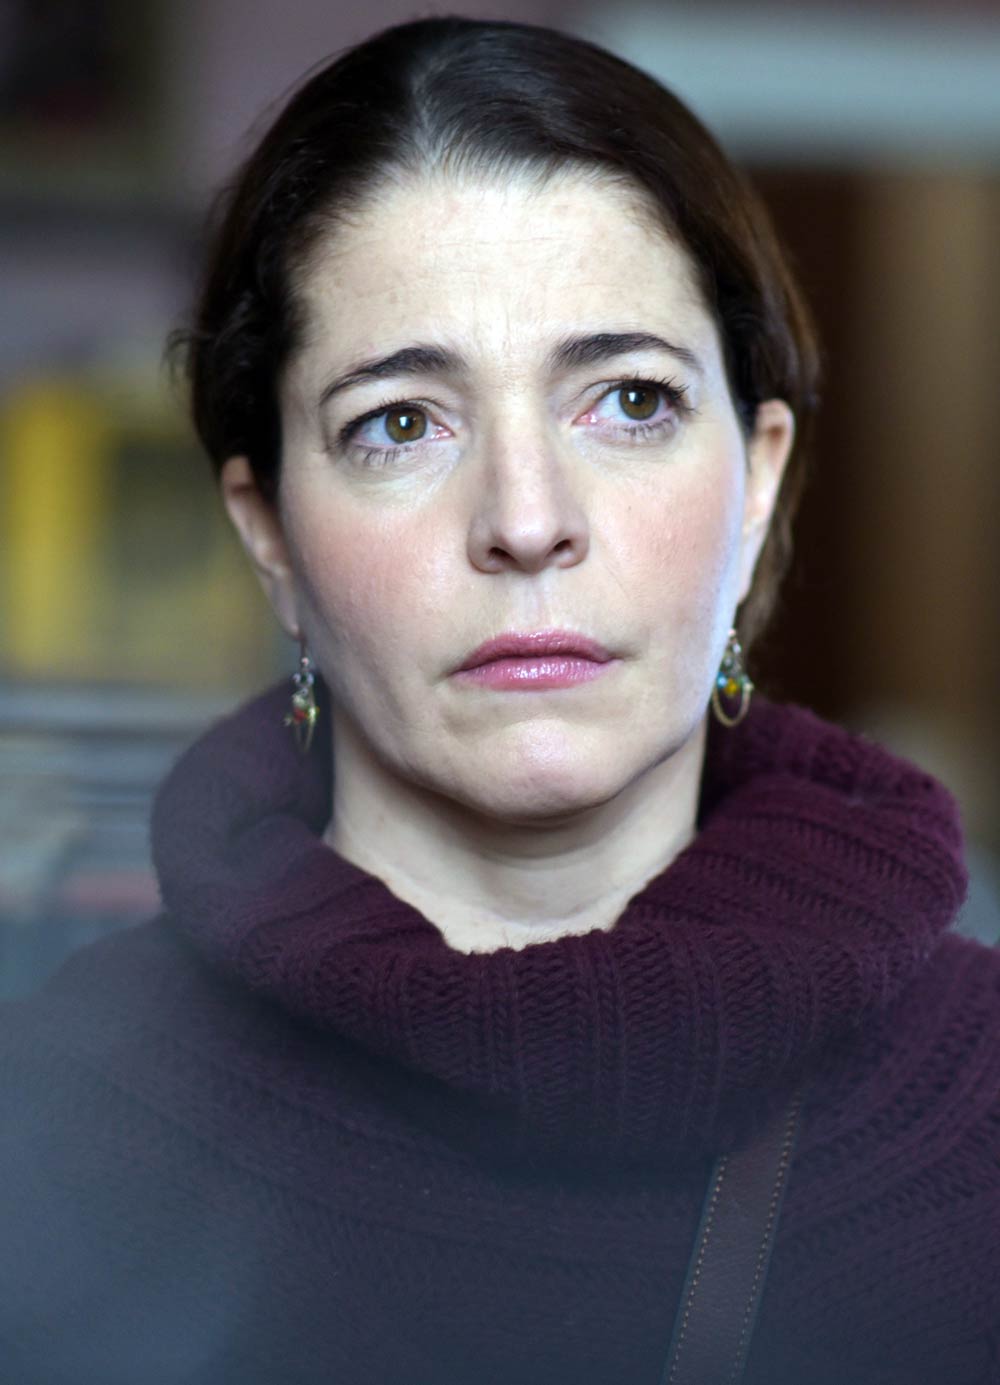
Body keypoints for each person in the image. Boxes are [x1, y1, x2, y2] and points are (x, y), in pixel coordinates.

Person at [2, 16, 997, 1385]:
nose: (527, 521)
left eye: (629, 401)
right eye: (401, 422)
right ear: (270, 533)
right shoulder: (46, 1120)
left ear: (757, 479)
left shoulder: (983, 1096)